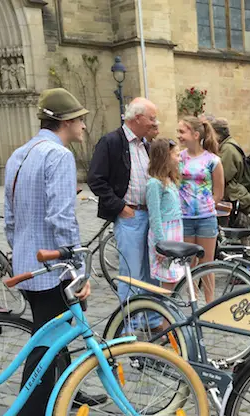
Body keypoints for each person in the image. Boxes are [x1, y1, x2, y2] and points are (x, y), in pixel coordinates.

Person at [4, 88, 92, 416]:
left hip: (26, 261)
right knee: (44, 348)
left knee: (51, 341)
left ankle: (58, 403)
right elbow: (61, 217)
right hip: (51, 266)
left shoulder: (19, 154)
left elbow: (10, 218)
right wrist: (78, 269)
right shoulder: (58, 155)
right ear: (66, 122)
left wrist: (20, 251)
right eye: (80, 119)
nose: (84, 125)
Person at [88, 97, 159, 305]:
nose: (155, 123)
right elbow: (95, 179)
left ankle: (152, 319)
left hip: (150, 214)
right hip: (130, 216)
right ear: (138, 118)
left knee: (151, 271)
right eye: (152, 118)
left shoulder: (146, 144)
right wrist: (120, 208)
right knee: (131, 272)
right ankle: (128, 324)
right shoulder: (112, 141)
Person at [177, 116, 224, 301]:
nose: (179, 136)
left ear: (195, 135)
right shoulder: (178, 158)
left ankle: (210, 302)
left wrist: (207, 205)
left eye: (182, 131)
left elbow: (219, 192)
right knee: (189, 263)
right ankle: (193, 300)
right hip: (185, 218)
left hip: (206, 218)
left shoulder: (213, 160)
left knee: (207, 263)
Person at [146, 139, 184, 290]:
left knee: (175, 276)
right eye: (176, 155)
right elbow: (154, 216)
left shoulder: (170, 180)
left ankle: (169, 311)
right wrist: (161, 244)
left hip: (175, 231)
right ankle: (165, 312)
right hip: (164, 234)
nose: (179, 159)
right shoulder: (155, 184)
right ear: (165, 157)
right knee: (168, 278)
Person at [210, 117, 250, 243]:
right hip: (234, 196)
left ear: (217, 133)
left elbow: (223, 176)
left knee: (237, 236)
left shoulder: (228, 149)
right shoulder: (227, 145)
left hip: (234, 197)